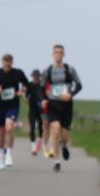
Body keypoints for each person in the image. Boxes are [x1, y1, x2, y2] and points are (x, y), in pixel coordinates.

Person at [0, 54, 29, 170]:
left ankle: (8, 153)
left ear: (12, 62)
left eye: (9, 64)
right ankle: (0, 155)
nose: (7, 66)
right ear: (2, 62)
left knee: (9, 127)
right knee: (1, 131)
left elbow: (26, 84)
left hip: (12, 105)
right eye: (5, 63)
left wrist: (21, 91)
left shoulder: (18, 73)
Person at [44, 44, 82, 173]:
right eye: (56, 52)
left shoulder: (69, 70)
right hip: (53, 104)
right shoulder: (48, 70)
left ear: (64, 54)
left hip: (66, 105)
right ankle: (56, 161)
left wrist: (70, 94)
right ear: (53, 54)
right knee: (55, 129)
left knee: (64, 133)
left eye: (60, 52)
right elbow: (41, 88)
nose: (58, 54)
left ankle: (64, 144)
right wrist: (44, 99)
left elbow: (79, 85)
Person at [26, 69, 44, 155]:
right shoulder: (29, 85)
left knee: (40, 127)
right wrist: (26, 99)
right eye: (34, 76)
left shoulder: (42, 85)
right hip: (32, 109)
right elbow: (26, 96)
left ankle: (39, 142)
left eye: (37, 76)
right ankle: (33, 147)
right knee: (32, 127)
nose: (35, 78)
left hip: (41, 109)